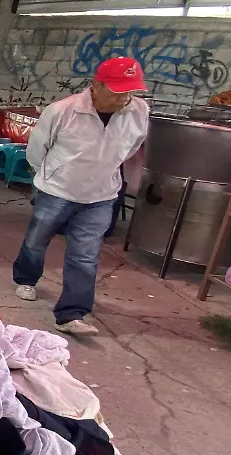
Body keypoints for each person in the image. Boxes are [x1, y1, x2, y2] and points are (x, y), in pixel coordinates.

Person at [12, 57, 149, 335]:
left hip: (101, 195)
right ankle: (26, 278)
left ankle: (71, 314)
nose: (124, 98)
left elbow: (133, 145)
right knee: (37, 240)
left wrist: (106, 168)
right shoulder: (63, 111)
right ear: (96, 86)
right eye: (117, 90)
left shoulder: (138, 111)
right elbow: (37, 148)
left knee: (85, 255)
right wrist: (48, 176)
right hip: (56, 190)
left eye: (129, 91)